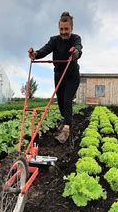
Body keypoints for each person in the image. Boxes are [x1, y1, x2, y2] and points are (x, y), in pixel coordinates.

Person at [28, 11, 83, 144]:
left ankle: (66, 129)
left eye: (66, 29)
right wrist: (35, 54)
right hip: (59, 74)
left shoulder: (75, 38)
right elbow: (45, 50)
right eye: (61, 29)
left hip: (72, 75)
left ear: (71, 28)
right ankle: (66, 119)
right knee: (60, 102)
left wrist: (75, 52)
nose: (64, 32)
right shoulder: (54, 40)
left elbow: (78, 49)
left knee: (67, 100)